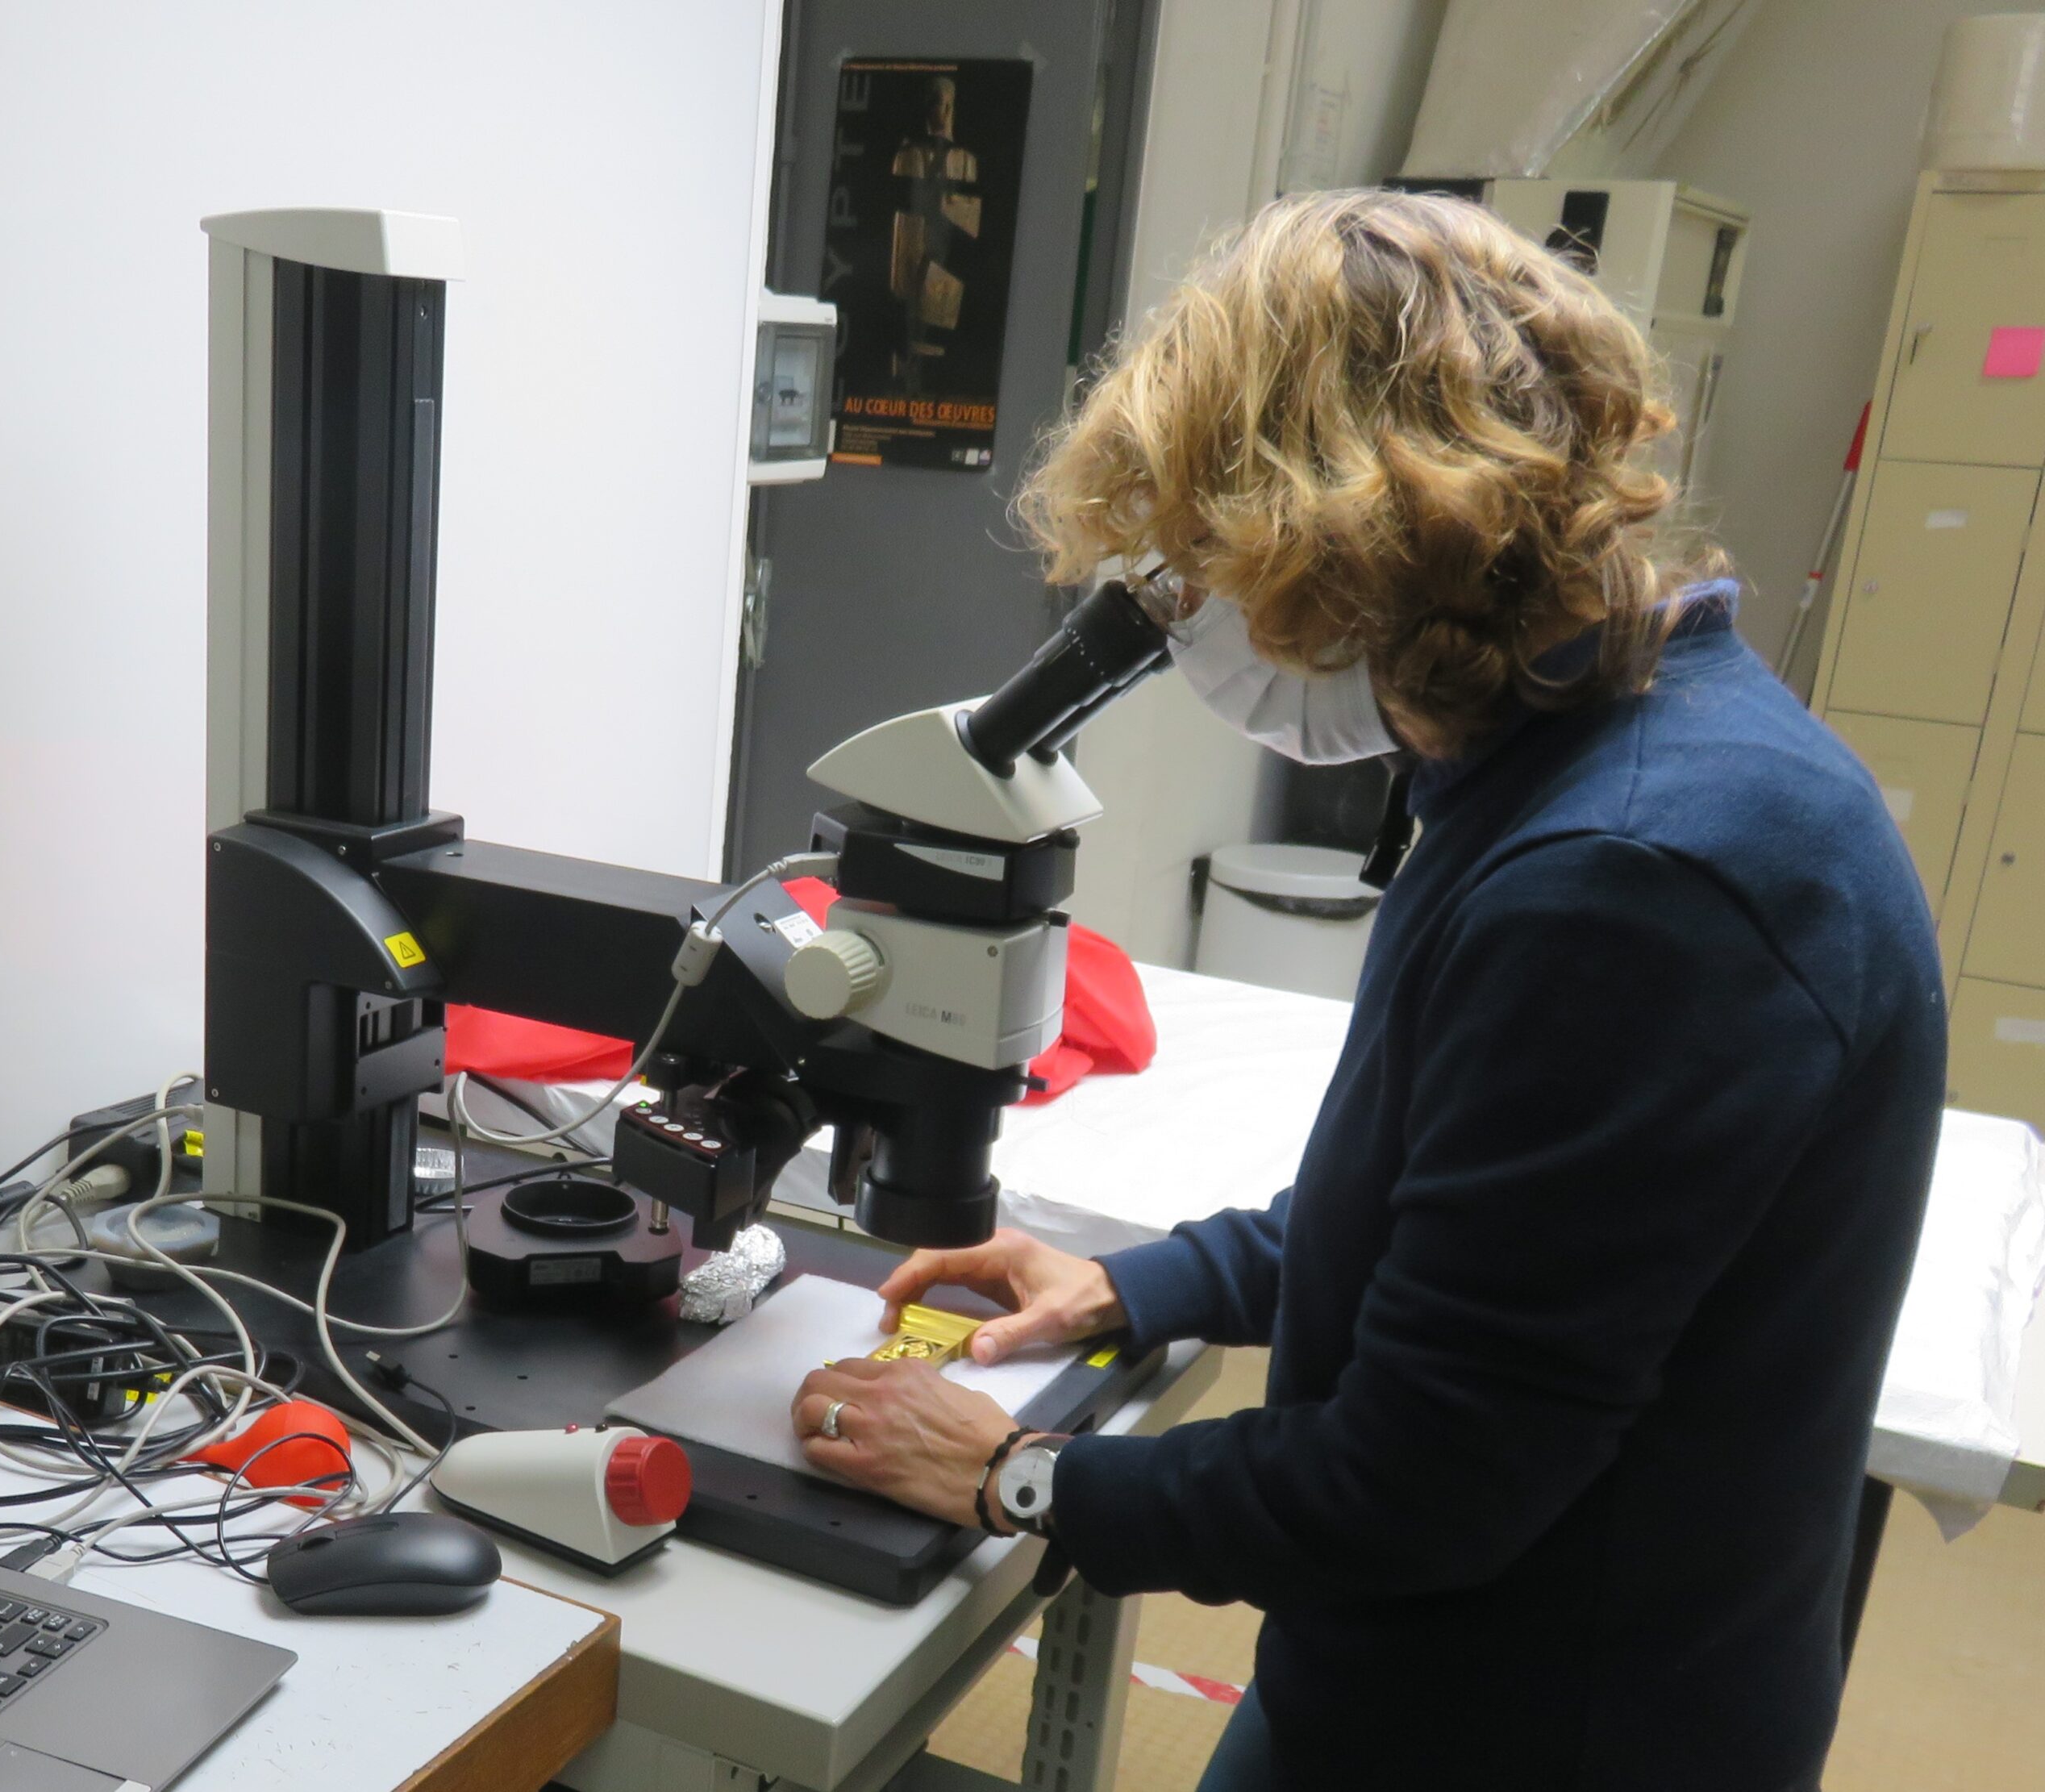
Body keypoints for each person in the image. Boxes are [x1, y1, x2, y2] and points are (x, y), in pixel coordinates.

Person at [790, 190, 1946, 1790]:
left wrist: (1029, 1480)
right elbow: (1462, 1212)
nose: (1189, 616)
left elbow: (1420, 1485)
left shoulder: (1626, 879)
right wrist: (1150, 1282)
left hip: (1530, 1731)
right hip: (1461, 1670)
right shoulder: (1616, 756)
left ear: (1352, 533)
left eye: (1205, 558)